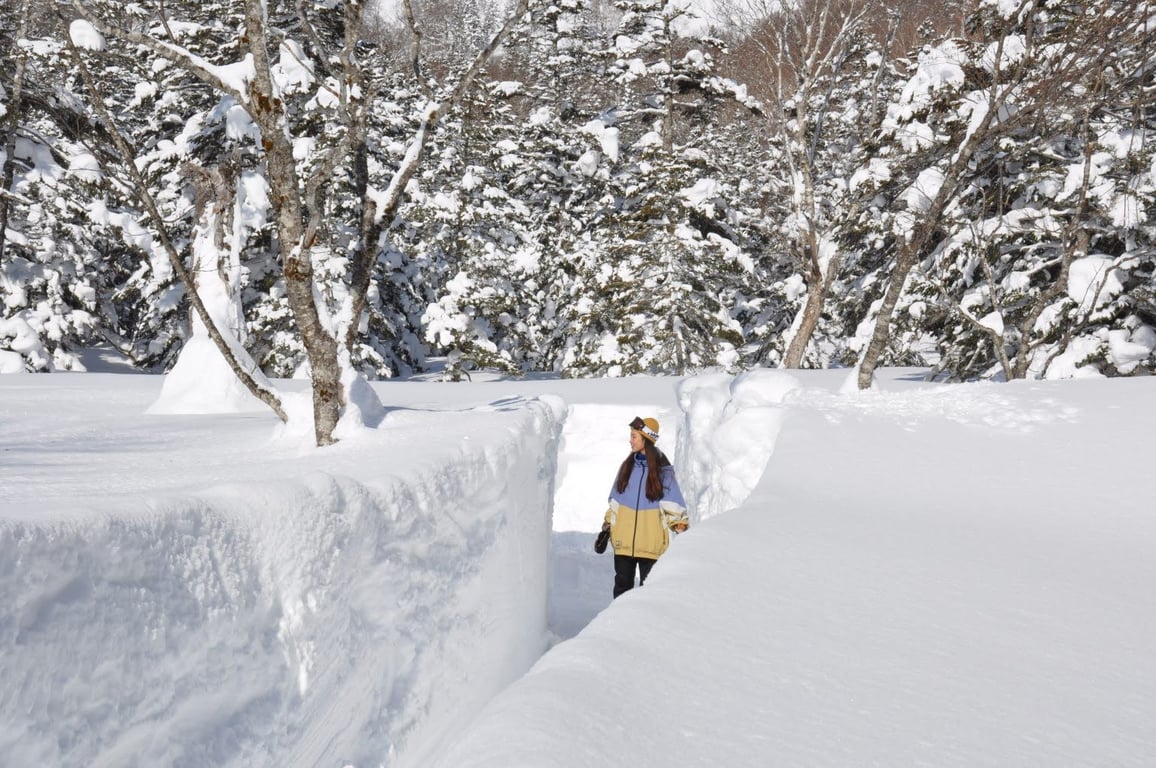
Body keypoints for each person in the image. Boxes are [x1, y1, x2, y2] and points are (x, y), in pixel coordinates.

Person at [600, 416, 689, 598]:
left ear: (645, 439)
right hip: (623, 542)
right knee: (622, 590)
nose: (630, 440)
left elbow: (672, 502)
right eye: (631, 436)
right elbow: (616, 502)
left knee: (649, 593)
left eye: (634, 436)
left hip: (651, 543)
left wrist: (679, 524)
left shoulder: (663, 472)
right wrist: (607, 525)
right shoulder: (627, 467)